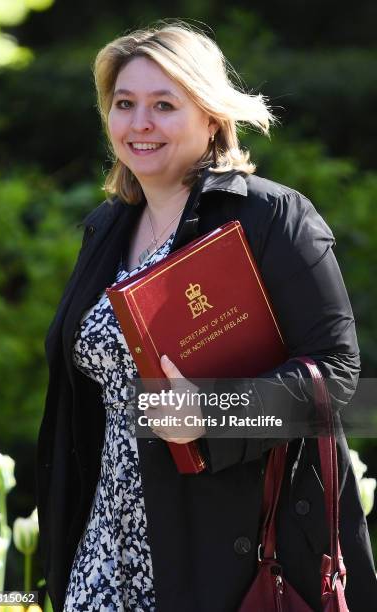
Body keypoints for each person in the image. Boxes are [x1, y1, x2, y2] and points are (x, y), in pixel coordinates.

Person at [36, 20, 377, 612]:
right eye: (124, 104)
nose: (139, 123)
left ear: (212, 116)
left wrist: (209, 414)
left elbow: (341, 376)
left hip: (223, 550)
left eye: (164, 105)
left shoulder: (271, 216)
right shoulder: (105, 228)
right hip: (104, 544)